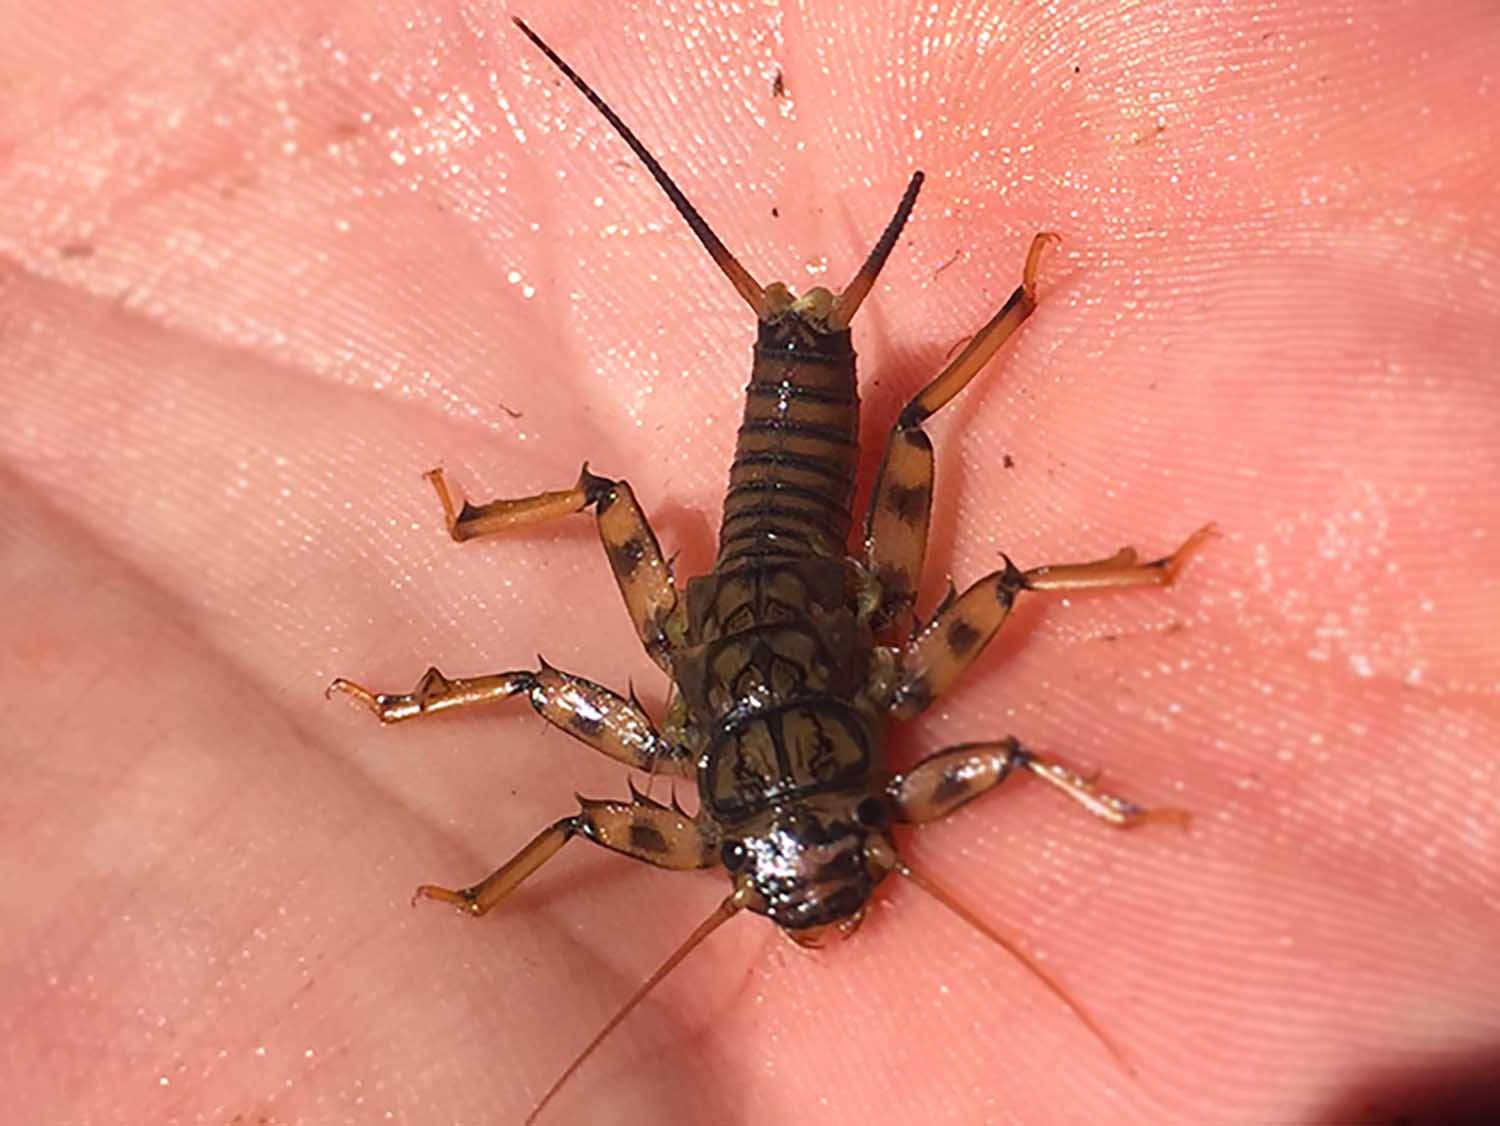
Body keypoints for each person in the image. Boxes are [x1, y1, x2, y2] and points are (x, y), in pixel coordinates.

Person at [3, 3, 1496, 1122]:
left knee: (886, 465)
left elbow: (557, 709)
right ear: (866, 804)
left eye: (770, 867)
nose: (814, 871)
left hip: (804, 553)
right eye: (842, 844)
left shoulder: (770, 728)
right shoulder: (829, 708)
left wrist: (431, 728)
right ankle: (1047, 429)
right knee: (899, 449)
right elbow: (1009, 709)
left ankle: (1042, 420)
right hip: (805, 551)